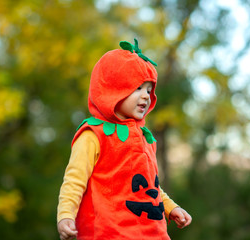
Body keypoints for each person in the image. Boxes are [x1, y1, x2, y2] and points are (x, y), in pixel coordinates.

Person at [57, 39, 192, 240]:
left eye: (148, 90)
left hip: (151, 233)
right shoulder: (94, 135)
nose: (146, 96)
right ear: (113, 88)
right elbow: (75, 180)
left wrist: (171, 207)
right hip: (110, 232)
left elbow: (150, 186)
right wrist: (66, 214)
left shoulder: (145, 138)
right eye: (137, 88)